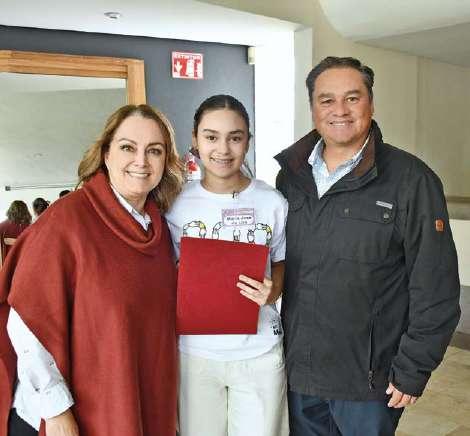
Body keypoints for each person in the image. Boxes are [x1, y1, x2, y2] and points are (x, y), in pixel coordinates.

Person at [275, 56, 461, 436]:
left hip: (370, 382)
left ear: (371, 103)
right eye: (327, 100)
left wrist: (413, 368)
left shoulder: (412, 180)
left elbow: (436, 285)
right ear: (312, 108)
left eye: (352, 98)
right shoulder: (291, 177)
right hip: (300, 375)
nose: (339, 110)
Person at [0, 104, 184, 436]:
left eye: (154, 150)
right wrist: (56, 409)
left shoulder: (159, 231)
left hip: (139, 399)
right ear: (105, 154)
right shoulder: (66, 220)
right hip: (73, 410)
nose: (141, 161)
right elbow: (26, 321)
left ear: (165, 161)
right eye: (127, 147)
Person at [166, 94, 289, 436]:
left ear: (248, 141)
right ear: (195, 140)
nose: (223, 149)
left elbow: (281, 262)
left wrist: (272, 291)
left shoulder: (272, 202)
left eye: (235, 138)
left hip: (259, 350)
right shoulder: (174, 204)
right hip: (194, 354)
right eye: (211, 137)